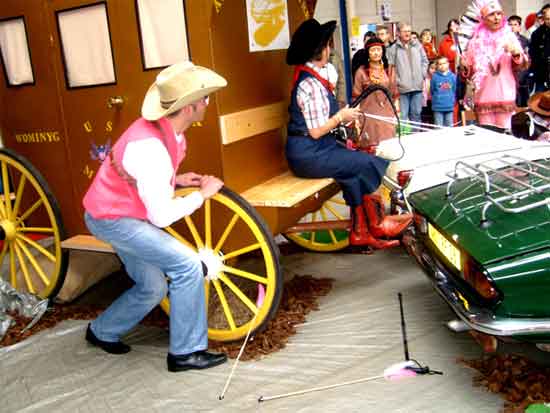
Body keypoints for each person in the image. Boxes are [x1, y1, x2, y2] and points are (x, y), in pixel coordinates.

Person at [82, 61, 229, 373]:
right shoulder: (151, 147)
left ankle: (102, 331)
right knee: (188, 266)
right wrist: (201, 196)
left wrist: (175, 181)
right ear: (188, 107)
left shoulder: (167, 132)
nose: (207, 103)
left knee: (152, 287)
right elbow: (161, 215)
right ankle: (186, 353)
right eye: (203, 98)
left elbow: (142, 176)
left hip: (120, 214)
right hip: (114, 219)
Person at [285, 19, 411, 249]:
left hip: (317, 148)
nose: (330, 49)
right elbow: (315, 131)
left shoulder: (316, 77)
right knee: (367, 162)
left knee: (356, 166)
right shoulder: (310, 85)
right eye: (327, 45)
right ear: (322, 50)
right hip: (309, 153)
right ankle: (378, 223)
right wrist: (341, 117)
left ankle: (360, 232)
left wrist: (345, 120)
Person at [461, 0, 528, 132]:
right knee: (487, 135)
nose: (497, 17)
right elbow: (468, 72)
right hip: (484, 96)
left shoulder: (509, 37)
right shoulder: (475, 41)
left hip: (505, 94)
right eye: (492, 15)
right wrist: (464, 67)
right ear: (484, 19)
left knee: (505, 134)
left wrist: (515, 53)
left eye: (499, 14)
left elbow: (522, 64)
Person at [352, 37, 398, 146]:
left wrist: (397, 114)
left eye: (379, 49)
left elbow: (395, 94)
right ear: (367, 53)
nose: (376, 53)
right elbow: (356, 97)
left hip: (387, 115)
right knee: (370, 147)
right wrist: (356, 120)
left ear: (383, 51)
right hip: (368, 116)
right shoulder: (361, 72)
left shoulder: (390, 70)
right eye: (372, 50)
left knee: (388, 146)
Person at [387, 22, 428, 130]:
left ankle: (416, 138)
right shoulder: (393, 49)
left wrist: (422, 75)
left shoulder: (418, 45)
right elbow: (390, 69)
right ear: (399, 33)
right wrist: (397, 81)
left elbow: (425, 61)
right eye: (405, 31)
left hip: (417, 87)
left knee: (416, 114)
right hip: (402, 89)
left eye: (409, 31)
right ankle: (404, 139)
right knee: (403, 116)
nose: (408, 33)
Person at [508, 15, 530, 107]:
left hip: (521, 77)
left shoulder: (524, 41)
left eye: (515, 24)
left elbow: (527, 59)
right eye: (510, 25)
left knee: (522, 104)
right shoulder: (503, 40)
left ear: (519, 27)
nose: (512, 27)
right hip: (508, 76)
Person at [431, 56, 457, 127]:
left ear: (448, 64)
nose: (442, 65)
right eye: (440, 64)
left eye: (444, 63)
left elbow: (454, 90)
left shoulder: (453, 76)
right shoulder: (434, 77)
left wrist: (452, 100)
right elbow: (432, 90)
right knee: (438, 128)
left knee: (449, 127)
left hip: (449, 106)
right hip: (438, 107)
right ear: (437, 66)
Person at [529, 5, 550, 92]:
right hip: (541, 75)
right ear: (543, 19)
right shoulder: (537, 34)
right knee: (538, 101)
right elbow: (532, 53)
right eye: (548, 19)